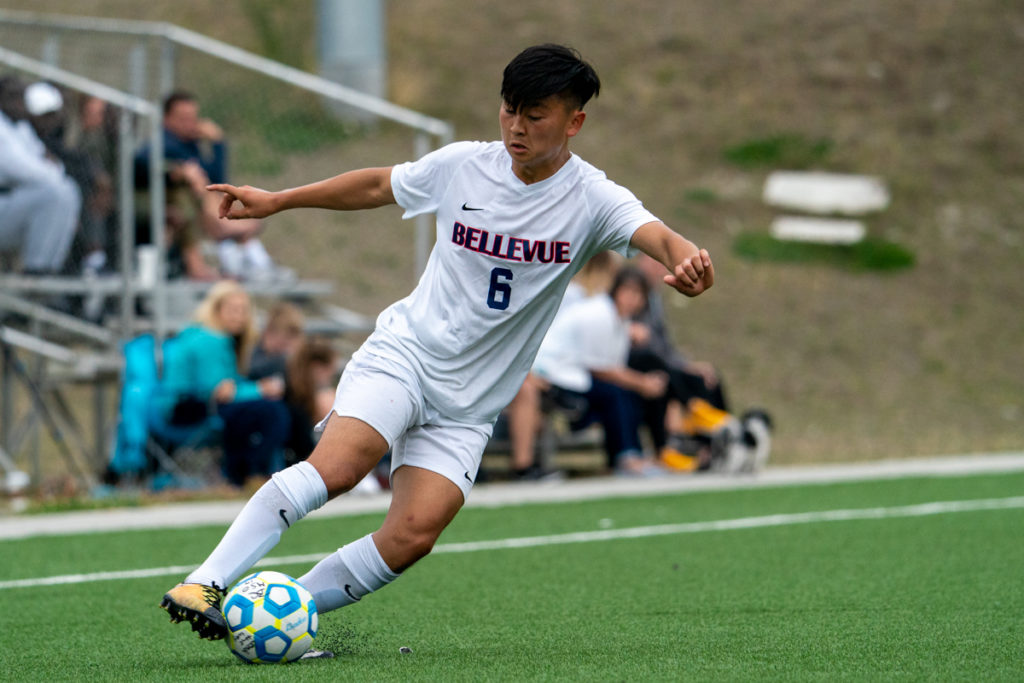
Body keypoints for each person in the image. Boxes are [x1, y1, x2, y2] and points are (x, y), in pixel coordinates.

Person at [159, 44, 714, 650]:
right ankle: (205, 583)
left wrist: (688, 262)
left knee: (413, 534)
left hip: (469, 405)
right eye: (509, 110)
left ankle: (281, 609)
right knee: (340, 468)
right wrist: (278, 199)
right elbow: (376, 185)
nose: (516, 127)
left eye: (535, 115)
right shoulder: (465, 166)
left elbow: (658, 234)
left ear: (574, 121)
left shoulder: (592, 198)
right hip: (407, 356)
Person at [531, 266, 668, 475]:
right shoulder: (599, 314)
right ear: (616, 290)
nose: (633, 299)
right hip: (553, 374)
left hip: (573, 374)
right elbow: (600, 369)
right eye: (628, 292)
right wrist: (642, 382)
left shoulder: (620, 318)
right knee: (616, 393)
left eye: (639, 294)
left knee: (626, 392)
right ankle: (626, 457)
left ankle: (635, 454)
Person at [159, 280, 292, 488]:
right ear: (216, 309)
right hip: (185, 410)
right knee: (272, 411)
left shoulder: (217, 338)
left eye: (243, 311)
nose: (239, 317)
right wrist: (260, 389)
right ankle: (253, 475)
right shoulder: (209, 340)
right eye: (233, 310)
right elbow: (221, 392)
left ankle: (242, 474)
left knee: (258, 410)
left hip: (202, 405)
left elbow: (229, 387)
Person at [134, 91, 279, 280]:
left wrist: (218, 143)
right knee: (188, 190)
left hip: (189, 203)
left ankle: (251, 259)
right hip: (148, 202)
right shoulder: (162, 142)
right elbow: (142, 160)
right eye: (183, 118)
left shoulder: (190, 144)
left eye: (193, 118)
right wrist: (175, 170)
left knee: (200, 185)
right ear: (167, 119)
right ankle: (219, 234)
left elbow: (217, 178)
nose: (190, 124)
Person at [503, 249, 622, 479]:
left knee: (532, 398)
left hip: (556, 369)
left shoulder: (587, 298)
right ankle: (523, 468)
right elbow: (544, 337)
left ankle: (526, 465)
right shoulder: (576, 296)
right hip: (546, 368)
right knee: (528, 392)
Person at [0, 77, 80, 276]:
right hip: (5, 200)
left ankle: (48, 270)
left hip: (13, 201)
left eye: (22, 97)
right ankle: (35, 271)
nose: (19, 103)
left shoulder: (21, 128)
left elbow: (54, 168)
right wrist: (48, 169)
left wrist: (48, 169)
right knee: (53, 193)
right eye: (12, 97)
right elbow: (23, 169)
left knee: (67, 190)